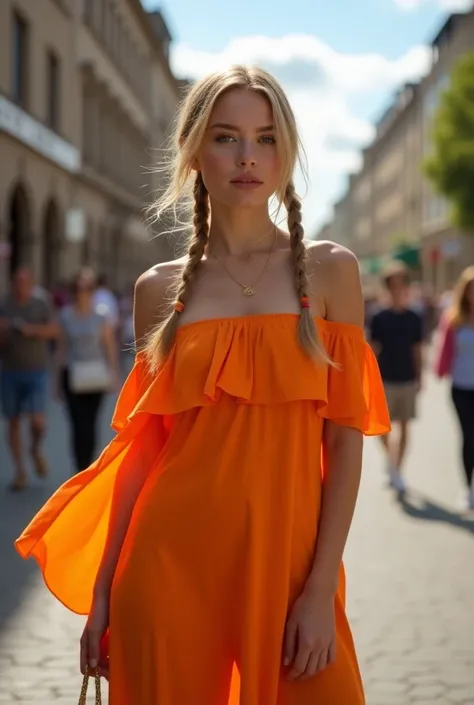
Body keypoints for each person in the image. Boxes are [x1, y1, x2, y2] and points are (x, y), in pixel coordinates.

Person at [15, 66, 390, 705]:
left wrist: (320, 587)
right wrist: (104, 592)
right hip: (167, 565)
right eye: (227, 137)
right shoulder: (157, 289)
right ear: (192, 150)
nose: (248, 156)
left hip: (289, 568)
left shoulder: (330, 273)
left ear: (288, 151)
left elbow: (346, 442)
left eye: (266, 138)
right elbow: (143, 453)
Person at [54, 268, 120, 474]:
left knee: (90, 423)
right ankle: (79, 467)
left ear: (92, 292)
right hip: (72, 375)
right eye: (78, 289)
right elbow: (61, 349)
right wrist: (55, 382)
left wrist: (114, 375)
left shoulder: (101, 316)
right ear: (73, 292)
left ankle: (88, 465)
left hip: (96, 376)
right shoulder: (65, 316)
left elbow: (109, 347)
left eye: (86, 289)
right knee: (76, 423)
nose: (82, 293)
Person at [0, 266, 58, 491]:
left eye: (24, 283)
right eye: (17, 283)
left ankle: (35, 450)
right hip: (11, 371)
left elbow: (54, 331)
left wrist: (28, 330)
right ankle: (19, 470)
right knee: (13, 421)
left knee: (37, 421)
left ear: (31, 285)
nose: (20, 288)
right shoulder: (5, 304)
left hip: (36, 370)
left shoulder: (41, 302)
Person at [369, 263, 423, 494]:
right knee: (382, 428)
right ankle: (391, 462)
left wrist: (420, 375)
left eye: (402, 285)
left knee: (405, 426)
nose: (398, 289)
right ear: (388, 288)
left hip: (407, 378)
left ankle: (397, 470)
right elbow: (372, 349)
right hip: (384, 379)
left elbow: (418, 349)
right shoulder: (379, 316)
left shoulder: (414, 316)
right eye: (394, 285)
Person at [435, 266, 474, 512]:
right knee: (469, 437)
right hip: (460, 388)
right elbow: (445, 349)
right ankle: (468, 489)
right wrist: (439, 370)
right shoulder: (454, 318)